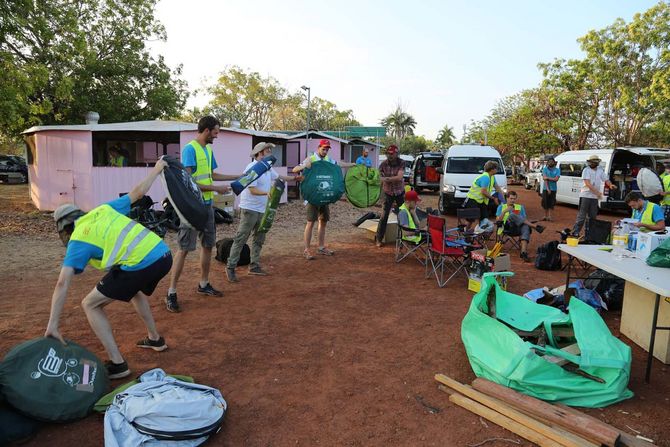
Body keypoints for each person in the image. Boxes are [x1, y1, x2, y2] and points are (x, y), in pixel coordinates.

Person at [47, 160, 171, 379]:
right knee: (133, 289)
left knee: (90, 304)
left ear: (64, 228)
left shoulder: (77, 240)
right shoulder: (101, 211)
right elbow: (138, 193)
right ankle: (155, 339)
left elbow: (62, 283)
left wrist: (53, 325)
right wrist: (157, 169)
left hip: (142, 262)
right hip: (162, 253)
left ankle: (118, 364)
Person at [166, 116, 240, 312]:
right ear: (206, 130)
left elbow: (213, 174)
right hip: (191, 208)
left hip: (207, 206)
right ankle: (172, 292)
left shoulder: (208, 149)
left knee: (208, 245)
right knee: (184, 248)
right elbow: (188, 182)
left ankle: (204, 284)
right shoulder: (190, 149)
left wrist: (237, 176)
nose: (216, 136)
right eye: (215, 132)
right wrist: (216, 189)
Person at [226, 142, 295, 282]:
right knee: (241, 238)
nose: (270, 151)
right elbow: (252, 190)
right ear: (260, 152)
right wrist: (267, 193)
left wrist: (295, 178)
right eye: (267, 149)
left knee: (259, 238)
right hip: (250, 209)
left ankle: (254, 265)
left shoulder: (267, 167)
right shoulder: (252, 168)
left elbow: (279, 177)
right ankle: (230, 267)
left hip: (262, 209)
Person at [292, 139, 355, 260]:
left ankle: (321, 247)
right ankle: (307, 250)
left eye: (327, 149)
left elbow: (339, 164)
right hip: (313, 197)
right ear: (319, 148)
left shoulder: (328, 159)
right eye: (323, 149)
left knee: (323, 221)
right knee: (310, 222)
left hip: (324, 196)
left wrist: (351, 164)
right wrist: (305, 165)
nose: (325, 151)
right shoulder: (311, 158)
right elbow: (295, 169)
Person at [572, 154, 616, 237]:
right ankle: (575, 232)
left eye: (594, 162)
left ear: (597, 163)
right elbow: (588, 184)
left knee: (593, 217)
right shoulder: (586, 170)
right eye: (591, 162)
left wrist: (610, 185)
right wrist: (598, 193)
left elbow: (606, 179)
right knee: (582, 216)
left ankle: (590, 234)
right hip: (585, 195)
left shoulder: (600, 170)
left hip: (594, 197)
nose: (592, 164)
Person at [496, 190, 543, 262]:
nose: (512, 200)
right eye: (511, 198)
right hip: (507, 227)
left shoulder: (520, 207)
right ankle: (534, 226)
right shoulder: (501, 207)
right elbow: (498, 221)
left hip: (518, 228)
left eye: (514, 199)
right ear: (507, 198)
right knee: (512, 215)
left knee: (525, 226)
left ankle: (523, 252)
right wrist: (504, 211)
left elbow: (524, 219)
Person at [375, 145, 405, 247]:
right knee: (384, 216)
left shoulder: (401, 162)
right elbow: (378, 177)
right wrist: (383, 179)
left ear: (396, 154)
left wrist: (386, 179)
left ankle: (403, 239)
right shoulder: (383, 164)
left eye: (392, 153)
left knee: (402, 215)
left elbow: (399, 177)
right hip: (388, 193)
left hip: (399, 192)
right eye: (388, 153)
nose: (390, 155)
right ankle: (379, 239)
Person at [463, 160, 504, 229]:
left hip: (482, 201)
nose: (497, 170)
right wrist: (493, 198)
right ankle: (466, 233)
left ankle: (479, 235)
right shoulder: (485, 177)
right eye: (496, 168)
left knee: (484, 219)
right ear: (492, 169)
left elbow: (497, 187)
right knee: (471, 220)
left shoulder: (492, 177)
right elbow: (483, 191)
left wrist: (503, 198)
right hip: (472, 200)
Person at [541, 156, 560, 221]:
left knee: (552, 203)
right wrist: (548, 189)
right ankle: (545, 216)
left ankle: (550, 216)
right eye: (549, 162)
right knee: (545, 203)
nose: (550, 163)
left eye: (552, 162)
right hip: (545, 189)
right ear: (548, 163)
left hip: (554, 189)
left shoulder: (557, 170)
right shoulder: (545, 169)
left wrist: (548, 178)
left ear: (554, 162)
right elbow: (544, 179)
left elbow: (556, 179)